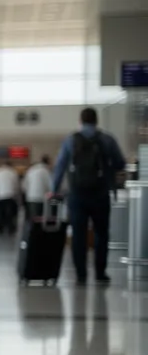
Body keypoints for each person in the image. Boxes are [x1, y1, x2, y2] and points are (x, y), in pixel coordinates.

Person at [51, 107, 127, 285]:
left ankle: (81, 274)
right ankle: (100, 273)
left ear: (81, 120)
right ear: (96, 120)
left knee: (79, 235)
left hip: (77, 195)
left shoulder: (71, 140)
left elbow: (60, 166)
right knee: (101, 233)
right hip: (100, 193)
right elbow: (120, 163)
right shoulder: (107, 139)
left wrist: (54, 189)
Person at [0, 161, 21, 234]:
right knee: (10, 213)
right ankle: (10, 228)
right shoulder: (13, 172)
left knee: (1, 213)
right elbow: (17, 186)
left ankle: (1, 229)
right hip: (11, 196)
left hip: (0, 195)